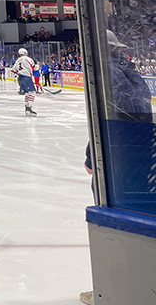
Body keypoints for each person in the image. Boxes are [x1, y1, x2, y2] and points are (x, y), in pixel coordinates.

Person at [80, 29, 154, 305]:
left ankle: (114, 289)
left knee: (113, 221)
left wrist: (92, 156)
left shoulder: (106, 75)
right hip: (140, 155)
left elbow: (106, 119)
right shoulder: (133, 74)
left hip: (116, 159)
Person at [11, 48, 37, 116]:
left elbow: (13, 70)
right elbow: (34, 67)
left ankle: (27, 108)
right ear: (25, 53)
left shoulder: (18, 60)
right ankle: (29, 108)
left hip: (20, 78)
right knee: (32, 92)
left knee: (27, 93)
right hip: (26, 77)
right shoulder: (28, 59)